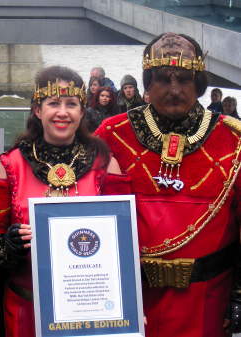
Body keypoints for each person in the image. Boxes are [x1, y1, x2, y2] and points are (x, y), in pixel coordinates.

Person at [0, 66, 130, 337]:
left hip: (92, 315)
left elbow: (124, 244)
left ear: (81, 110)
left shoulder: (105, 164)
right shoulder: (10, 165)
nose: (62, 112)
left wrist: (130, 310)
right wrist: (8, 244)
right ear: (38, 110)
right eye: (53, 103)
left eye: (71, 104)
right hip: (25, 310)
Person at [95, 32, 241, 337]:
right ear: (148, 83)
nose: (174, 90)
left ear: (199, 84)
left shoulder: (235, 139)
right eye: (163, 79)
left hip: (207, 302)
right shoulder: (112, 133)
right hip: (127, 300)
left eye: (185, 80)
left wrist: (237, 299)